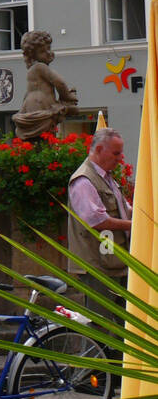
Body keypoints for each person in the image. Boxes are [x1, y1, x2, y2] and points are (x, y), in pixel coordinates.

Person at [67, 126, 133, 327]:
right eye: (116, 153)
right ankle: (97, 359)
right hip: (97, 266)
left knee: (124, 325)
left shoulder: (107, 177)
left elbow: (124, 209)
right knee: (100, 326)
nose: (120, 158)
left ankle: (118, 359)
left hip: (115, 263)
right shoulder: (84, 180)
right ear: (98, 150)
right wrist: (134, 225)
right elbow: (95, 220)